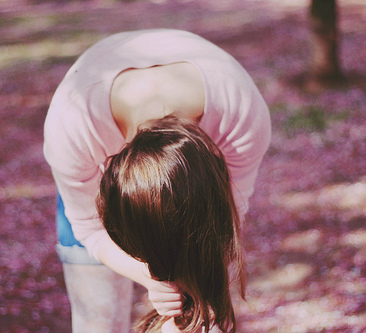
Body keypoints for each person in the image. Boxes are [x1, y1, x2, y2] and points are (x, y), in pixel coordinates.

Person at [43, 29, 271, 332]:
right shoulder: (73, 129)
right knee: (98, 319)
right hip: (91, 175)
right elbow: (88, 227)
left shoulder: (240, 116)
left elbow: (226, 221)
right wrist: (148, 274)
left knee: (205, 317)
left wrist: (192, 309)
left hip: (201, 181)